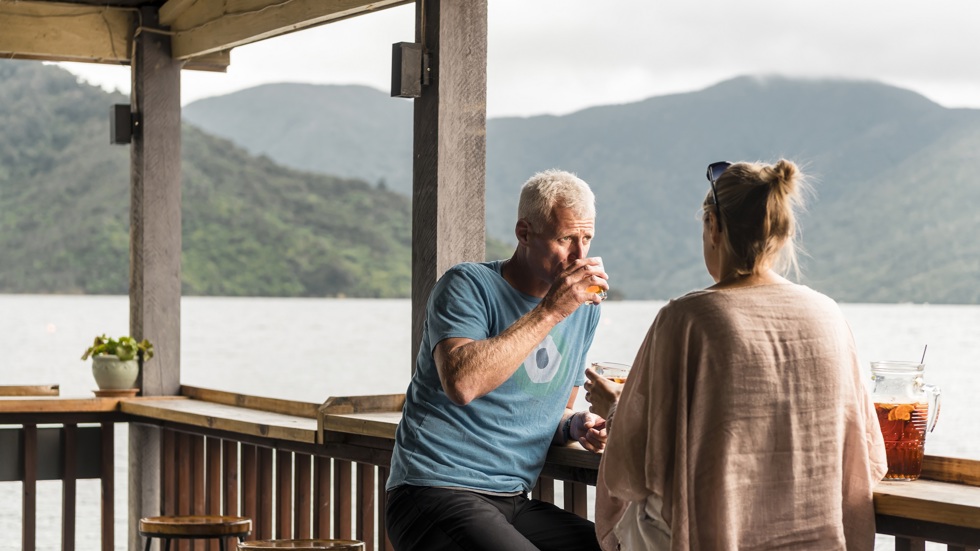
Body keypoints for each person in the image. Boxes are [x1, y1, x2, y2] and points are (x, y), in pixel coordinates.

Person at [586, 160, 888, 550]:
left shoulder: (687, 318)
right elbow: (864, 452)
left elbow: (633, 467)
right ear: (782, 234)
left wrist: (616, 408)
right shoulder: (828, 315)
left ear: (713, 227)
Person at [385, 168, 610, 551]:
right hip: (432, 488)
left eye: (586, 238)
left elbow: (547, 412)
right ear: (524, 233)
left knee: (614, 546)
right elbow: (462, 384)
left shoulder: (585, 311)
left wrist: (577, 425)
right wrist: (551, 310)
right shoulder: (467, 285)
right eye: (565, 238)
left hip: (511, 499)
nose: (579, 254)